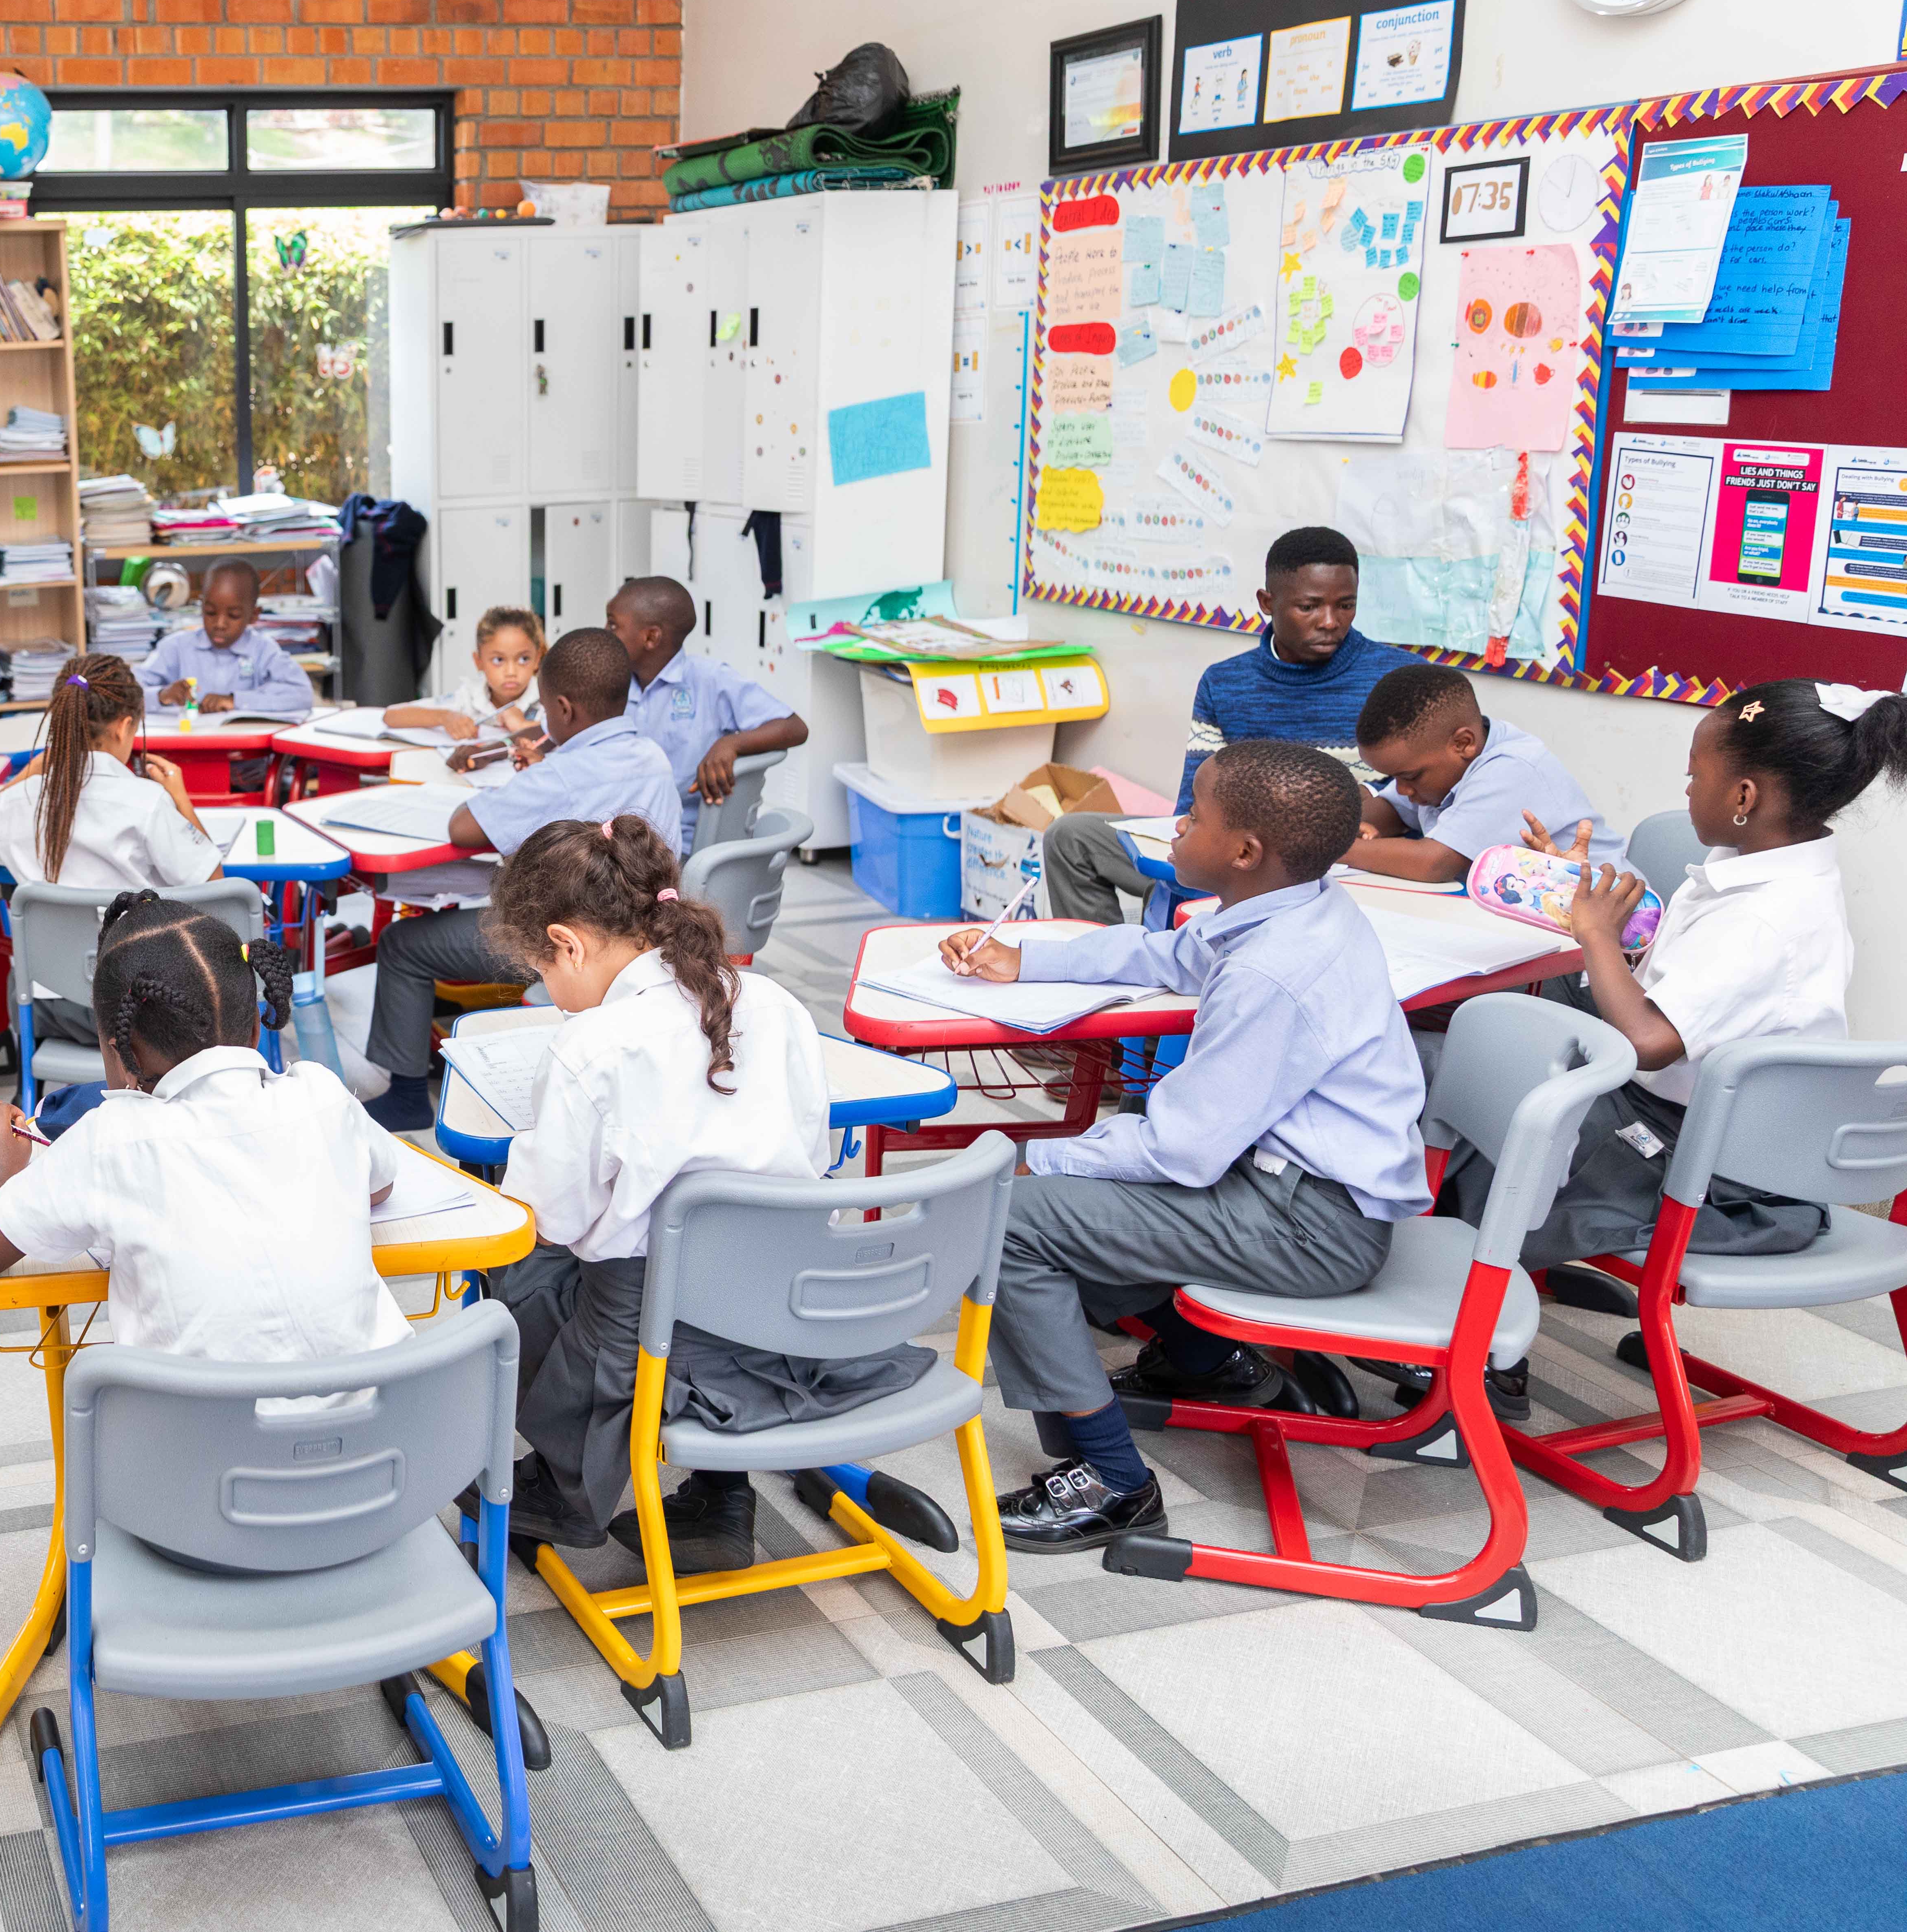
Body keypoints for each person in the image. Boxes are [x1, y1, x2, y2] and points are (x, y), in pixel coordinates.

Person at [940, 741, 1426, 1552]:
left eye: (1193, 815)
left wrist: (1039, 1156)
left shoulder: (1274, 969)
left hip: (1311, 1223)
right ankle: (1203, 1360)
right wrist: (1023, 958)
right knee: (1071, 1186)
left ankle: (1113, 1480)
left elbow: (1181, 1150)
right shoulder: (1296, 906)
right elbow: (1169, 954)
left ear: (1245, 851)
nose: (1174, 825)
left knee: (1010, 1218)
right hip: (1290, 1189)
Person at [477, 817, 933, 1574]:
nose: (549, 993)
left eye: (540, 970)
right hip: (791, 1313)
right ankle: (722, 1491)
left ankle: (562, 1483)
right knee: (666, 1257)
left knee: (512, 1262)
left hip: (647, 1340)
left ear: (568, 944)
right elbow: (812, 1158)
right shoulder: (775, 1004)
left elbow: (548, 1219)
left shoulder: (591, 1047)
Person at [1446, 683, 1907, 1410]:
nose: (1686, 786)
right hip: (1702, 1122)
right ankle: (1498, 1276)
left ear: (1745, 795)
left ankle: (1482, 1354)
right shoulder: (1753, 871)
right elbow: (1676, 986)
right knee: (1528, 1044)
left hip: (1722, 1174)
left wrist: (1595, 933)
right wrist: (1572, 899)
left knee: (1505, 1131)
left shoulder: (1763, 918)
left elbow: (1651, 1041)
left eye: (1696, 773)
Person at [0, 895, 408, 1388]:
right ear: (254, 1028)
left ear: (121, 1054)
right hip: (383, 1426)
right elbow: (379, 1185)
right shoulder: (320, 1095)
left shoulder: (109, 1139)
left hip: (196, 1436)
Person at [360, 626, 684, 1130]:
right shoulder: (652, 755)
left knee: (404, 943)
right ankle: (431, 1037)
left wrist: (533, 774)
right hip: (649, 931)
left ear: (562, 709)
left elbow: (463, 827)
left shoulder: (559, 773)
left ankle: (405, 1095)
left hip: (576, 948)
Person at [1038, 527, 1405, 927]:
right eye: (1309, 607)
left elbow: (1419, 800)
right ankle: (1108, 959)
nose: (1331, 622)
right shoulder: (1226, 682)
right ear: (1267, 602)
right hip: (1228, 851)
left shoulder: (1399, 679)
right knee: (1070, 837)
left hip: (1328, 866)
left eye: (1346, 605)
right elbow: (1193, 798)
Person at [0, 655, 224, 1132]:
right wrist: (181, 800)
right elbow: (214, 885)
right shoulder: (148, 802)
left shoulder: (23, 801)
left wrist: (32, 772)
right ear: (125, 726)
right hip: (146, 1017)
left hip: (45, 1009)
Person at [1344, 662, 1617, 884]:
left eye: (1411, 777)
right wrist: (1348, 827)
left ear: (1464, 743)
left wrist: (1335, 848)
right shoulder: (1441, 761)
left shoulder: (1513, 768)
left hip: (1616, 921)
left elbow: (1435, 863)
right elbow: (1392, 809)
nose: (1402, 789)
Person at [602, 576, 805, 849]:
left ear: (651, 637)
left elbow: (794, 727)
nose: (604, 633)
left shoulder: (709, 680)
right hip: (614, 835)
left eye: (613, 625)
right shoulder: (613, 681)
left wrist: (731, 743)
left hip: (674, 844)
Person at [135, 559, 315, 718]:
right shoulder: (176, 647)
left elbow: (302, 694)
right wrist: (162, 696)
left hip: (243, 744)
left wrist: (235, 701)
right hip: (187, 742)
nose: (220, 624)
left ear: (253, 615)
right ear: (202, 607)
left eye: (234, 615)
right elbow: (128, 692)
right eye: (210, 612)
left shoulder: (263, 650)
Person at [386, 604, 545, 748]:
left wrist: (523, 726)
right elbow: (391, 716)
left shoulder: (547, 697)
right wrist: (445, 717)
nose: (511, 672)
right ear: (479, 662)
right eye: (499, 660)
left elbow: (560, 737)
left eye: (524, 659)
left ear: (537, 660)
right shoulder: (470, 698)